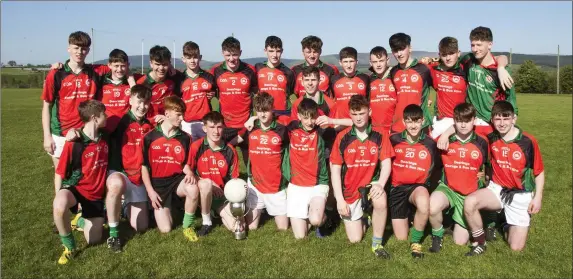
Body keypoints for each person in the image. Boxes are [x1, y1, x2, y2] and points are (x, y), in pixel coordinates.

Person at [463, 101, 544, 256]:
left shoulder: (528, 141)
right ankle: (480, 243)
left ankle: (504, 223)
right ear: (492, 120)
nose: (501, 123)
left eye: (506, 118)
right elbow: (461, 123)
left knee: (515, 247)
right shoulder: (491, 138)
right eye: (497, 119)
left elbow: (539, 172)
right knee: (470, 202)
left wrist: (538, 197)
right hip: (497, 189)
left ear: (514, 118)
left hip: (520, 195)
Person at [330, 95, 394, 259]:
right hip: (350, 191)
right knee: (355, 239)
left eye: (362, 113)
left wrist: (380, 184)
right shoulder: (342, 137)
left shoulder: (380, 134)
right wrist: (339, 200)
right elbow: (335, 170)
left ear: (369, 112)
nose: (358, 118)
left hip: (371, 185)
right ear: (350, 115)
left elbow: (386, 163)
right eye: (355, 114)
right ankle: (366, 218)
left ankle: (377, 244)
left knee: (380, 200)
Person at [52, 100, 108, 264]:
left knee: (94, 240)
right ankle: (69, 247)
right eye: (104, 114)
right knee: (59, 205)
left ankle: (80, 220)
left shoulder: (106, 138)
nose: (107, 117)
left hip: (95, 196)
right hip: (75, 189)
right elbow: (59, 172)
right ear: (94, 118)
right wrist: (58, 197)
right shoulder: (74, 142)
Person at [428, 103, 489, 253]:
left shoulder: (482, 142)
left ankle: (462, 221)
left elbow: (489, 165)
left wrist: (484, 178)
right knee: (433, 205)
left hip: (468, 194)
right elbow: (425, 140)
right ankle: (437, 235)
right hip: (448, 189)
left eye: (467, 121)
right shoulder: (445, 140)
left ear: (474, 120)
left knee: (460, 242)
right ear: (454, 121)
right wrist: (445, 134)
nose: (463, 125)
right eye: (459, 120)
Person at [42, 31, 101, 178]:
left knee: (84, 177)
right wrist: (47, 136)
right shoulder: (55, 73)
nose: (80, 52)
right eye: (76, 48)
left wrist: (169, 71)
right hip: (60, 134)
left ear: (88, 50)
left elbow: (119, 67)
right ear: (68, 48)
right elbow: (46, 106)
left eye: (84, 49)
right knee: (62, 176)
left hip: (85, 132)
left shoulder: (95, 72)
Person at [141, 96, 200, 241]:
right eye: (178, 114)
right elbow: (144, 167)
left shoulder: (185, 138)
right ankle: (169, 205)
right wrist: (150, 192)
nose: (182, 118)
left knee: (192, 188)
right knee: (166, 229)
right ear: (167, 114)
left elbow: (184, 164)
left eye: (182, 114)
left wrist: (190, 172)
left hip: (176, 181)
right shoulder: (149, 137)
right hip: (158, 186)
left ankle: (187, 227)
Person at [388, 104, 438, 258]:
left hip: (417, 187)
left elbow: (438, 168)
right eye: (409, 121)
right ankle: (410, 216)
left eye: (416, 121)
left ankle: (416, 242)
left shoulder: (430, 144)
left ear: (423, 121)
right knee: (401, 238)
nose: (413, 125)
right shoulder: (394, 140)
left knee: (423, 201)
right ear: (404, 122)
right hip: (397, 189)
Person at [285, 98, 336, 239]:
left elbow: (351, 125)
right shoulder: (291, 128)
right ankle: (311, 211)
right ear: (299, 116)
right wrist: (253, 119)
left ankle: (325, 218)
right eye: (305, 118)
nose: (309, 122)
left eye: (312, 117)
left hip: (317, 184)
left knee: (315, 220)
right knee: (300, 237)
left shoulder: (322, 131)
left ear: (317, 116)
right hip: (296, 185)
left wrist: (331, 121)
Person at [244, 93, 290, 231]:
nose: (263, 114)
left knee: (283, 228)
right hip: (255, 184)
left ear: (272, 109)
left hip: (275, 185)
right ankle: (260, 208)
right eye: (259, 110)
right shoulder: (251, 128)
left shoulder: (282, 130)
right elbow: (234, 140)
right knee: (251, 227)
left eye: (266, 110)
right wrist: (251, 119)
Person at [191, 111, 240, 236]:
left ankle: (217, 213)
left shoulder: (230, 150)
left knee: (237, 227)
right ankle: (206, 221)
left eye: (219, 127)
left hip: (221, 196)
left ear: (223, 127)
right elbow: (188, 174)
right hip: (201, 192)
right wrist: (209, 183)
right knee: (205, 185)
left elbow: (235, 180)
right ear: (204, 128)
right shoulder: (196, 147)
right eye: (212, 127)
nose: (216, 131)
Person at [210, 36, 257, 166]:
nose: (231, 59)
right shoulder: (216, 71)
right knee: (223, 163)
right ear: (222, 53)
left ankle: (250, 185)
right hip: (225, 125)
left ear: (240, 53)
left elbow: (256, 92)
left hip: (246, 124)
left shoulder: (250, 70)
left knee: (250, 164)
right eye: (228, 55)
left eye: (235, 54)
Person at [387, 33, 433, 134]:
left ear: (410, 48)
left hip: (420, 126)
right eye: (395, 50)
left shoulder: (424, 69)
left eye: (402, 49)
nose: (399, 54)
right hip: (399, 126)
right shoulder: (393, 72)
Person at [426, 37, 469, 139]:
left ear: (458, 53)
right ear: (439, 55)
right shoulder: (434, 70)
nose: (448, 58)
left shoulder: (466, 68)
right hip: (441, 122)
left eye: (451, 53)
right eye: (444, 55)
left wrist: (501, 64)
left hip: (462, 121)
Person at [135, 45, 183, 124]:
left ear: (169, 64)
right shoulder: (142, 83)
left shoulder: (175, 78)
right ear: (151, 63)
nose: (161, 68)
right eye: (157, 64)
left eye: (164, 64)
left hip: (170, 125)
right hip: (149, 126)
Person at [179, 41, 217, 140]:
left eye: (195, 57)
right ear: (183, 59)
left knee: (206, 153)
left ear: (200, 57)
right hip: (186, 124)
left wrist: (214, 94)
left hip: (205, 123)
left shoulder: (209, 77)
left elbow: (218, 92)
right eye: (188, 58)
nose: (192, 61)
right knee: (190, 153)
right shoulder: (179, 79)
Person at [254, 36, 296, 115]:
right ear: (265, 51)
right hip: (263, 113)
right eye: (271, 51)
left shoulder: (288, 72)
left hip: (283, 113)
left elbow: (291, 93)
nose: (275, 55)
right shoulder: (258, 68)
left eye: (278, 51)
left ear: (282, 51)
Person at [330, 47, 370, 120]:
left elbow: (369, 101)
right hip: (340, 123)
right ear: (340, 62)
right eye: (345, 62)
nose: (348, 65)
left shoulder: (365, 78)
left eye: (351, 61)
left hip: (360, 122)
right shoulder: (334, 79)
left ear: (356, 62)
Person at [367, 46, 397, 134]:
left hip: (395, 129)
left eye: (381, 61)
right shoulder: (368, 80)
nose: (378, 65)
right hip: (375, 130)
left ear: (387, 60)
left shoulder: (395, 76)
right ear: (370, 63)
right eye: (375, 62)